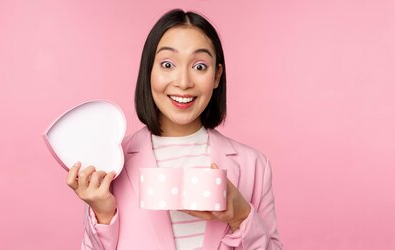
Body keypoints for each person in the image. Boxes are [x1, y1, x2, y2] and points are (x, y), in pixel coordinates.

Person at [66, 9, 282, 250]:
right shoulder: (113, 162)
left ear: (217, 76)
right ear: (149, 71)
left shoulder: (254, 166)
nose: (183, 82)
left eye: (200, 67)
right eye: (167, 64)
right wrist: (103, 214)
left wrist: (240, 215)